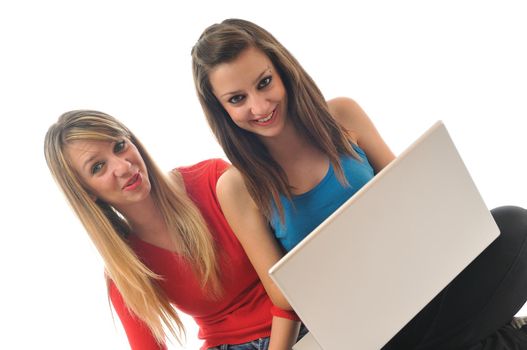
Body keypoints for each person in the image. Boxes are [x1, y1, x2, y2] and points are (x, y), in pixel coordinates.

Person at [191, 18, 527, 349]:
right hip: (352, 322)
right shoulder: (236, 186)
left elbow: (409, 190)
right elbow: (282, 295)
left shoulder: (342, 115)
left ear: (282, 71)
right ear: (220, 109)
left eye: (264, 83)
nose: (259, 106)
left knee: (516, 226)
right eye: (237, 99)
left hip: (415, 279)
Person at [44, 110, 305, 350]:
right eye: (98, 167)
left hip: (299, 324)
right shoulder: (125, 272)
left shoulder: (215, 182)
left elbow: (292, 281)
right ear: (87, 193)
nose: (123, 167)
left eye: (119, 146)